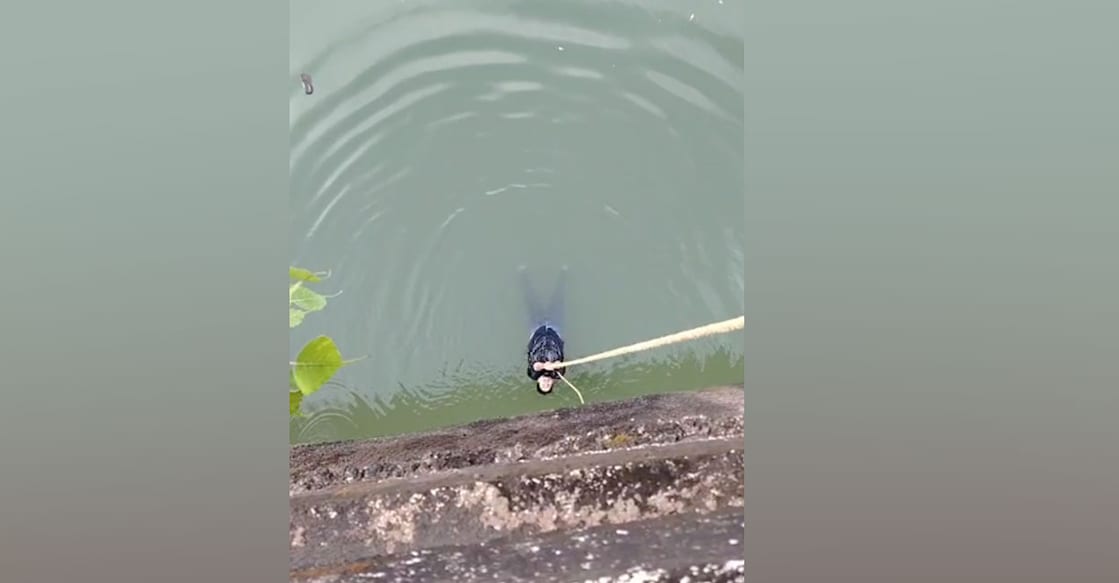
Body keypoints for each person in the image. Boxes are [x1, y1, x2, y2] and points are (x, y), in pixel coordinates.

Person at [520, 266, 568, 394]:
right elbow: (561, 364)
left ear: (538, 382)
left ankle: (523, 274)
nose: (546, 383)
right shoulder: (558, 375)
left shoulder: (533, 375)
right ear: (553, 383)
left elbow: (535, 366)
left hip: (537, 331)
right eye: (548, 385)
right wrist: (555, 364)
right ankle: (563, 273)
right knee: (558, 300)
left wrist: (544, 365)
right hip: (554, 331)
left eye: (543, 385)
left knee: (531, 302)